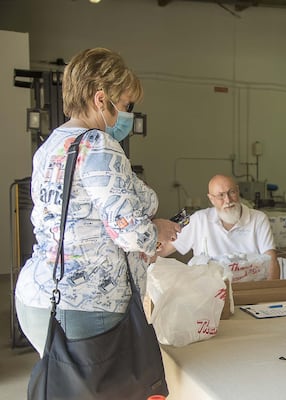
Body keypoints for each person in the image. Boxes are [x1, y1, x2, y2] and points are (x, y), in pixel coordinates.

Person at [15, 47, 182, 356]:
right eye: (126, 104)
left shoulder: (51, 145)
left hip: (40, 293)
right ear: (100, 99)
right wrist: (155, 231)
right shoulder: (99, 145)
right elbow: (128, 230)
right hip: (85, 304)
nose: (129, 115)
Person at [157, 174, 281, 280]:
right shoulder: (199, 219)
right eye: (220, 195)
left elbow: (271, 261)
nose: (227, 200)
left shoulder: (258, 219)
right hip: (211, 295)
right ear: (211, 199)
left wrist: (269, 295)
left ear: (238, 191)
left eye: (231, 192)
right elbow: (165, 249)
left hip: (250, 292)